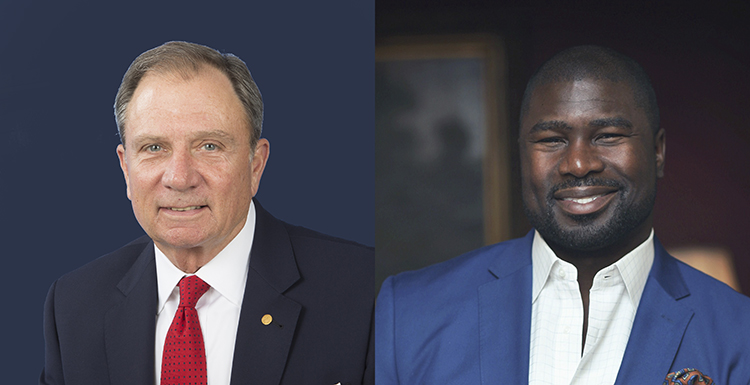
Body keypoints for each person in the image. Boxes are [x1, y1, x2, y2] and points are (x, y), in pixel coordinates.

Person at [375, 45, 750, 385]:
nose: (578, 164)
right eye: (552, 140)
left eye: (608, 135)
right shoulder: (408, 314)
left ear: (657, 152)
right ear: (521, 155)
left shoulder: (739, 333)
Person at [41, 41, 374, 385]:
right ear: (126, 168)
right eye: (154, 148)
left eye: (209, 146)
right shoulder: (73, 306)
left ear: (255, 165)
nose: (179, 178)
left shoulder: (362, 291)